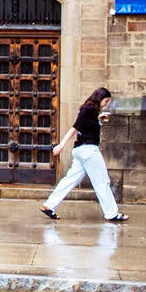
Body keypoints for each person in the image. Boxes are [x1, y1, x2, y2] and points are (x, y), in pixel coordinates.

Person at [39, 87, 127, 222]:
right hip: (89, 151)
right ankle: (112, 213)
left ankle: (50, 205)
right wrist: (61, 145)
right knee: (102, 181)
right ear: (101, 98)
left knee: (71, 179)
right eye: (106, 100)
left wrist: (98, 118)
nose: (106, 104)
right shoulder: (89, 110)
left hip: (81, 150)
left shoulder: (88, 110)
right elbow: (75, 127)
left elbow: (84, 125)